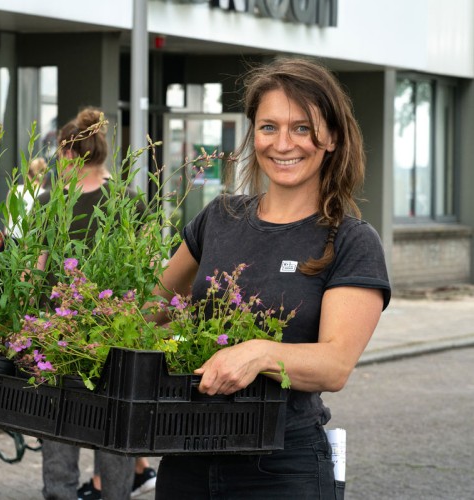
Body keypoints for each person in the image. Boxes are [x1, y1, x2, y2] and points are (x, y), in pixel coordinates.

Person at [151, 57, 392, 498]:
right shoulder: (218, 218)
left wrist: (259, 353)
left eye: (302, 128)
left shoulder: (350, 241)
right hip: (186, 453)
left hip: (282, 468)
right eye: (268, 127)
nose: (283, 143)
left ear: (332, 137)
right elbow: (150, 309)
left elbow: (335, 365)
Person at [36, 107, 144, 500]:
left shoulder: (51, 201)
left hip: (58, 336)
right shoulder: (128, 201)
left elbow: (36, 267)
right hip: (114, 335)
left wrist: (26, 322)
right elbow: (146, 270)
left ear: (67, 154)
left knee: (59, 427)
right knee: (112, 427)